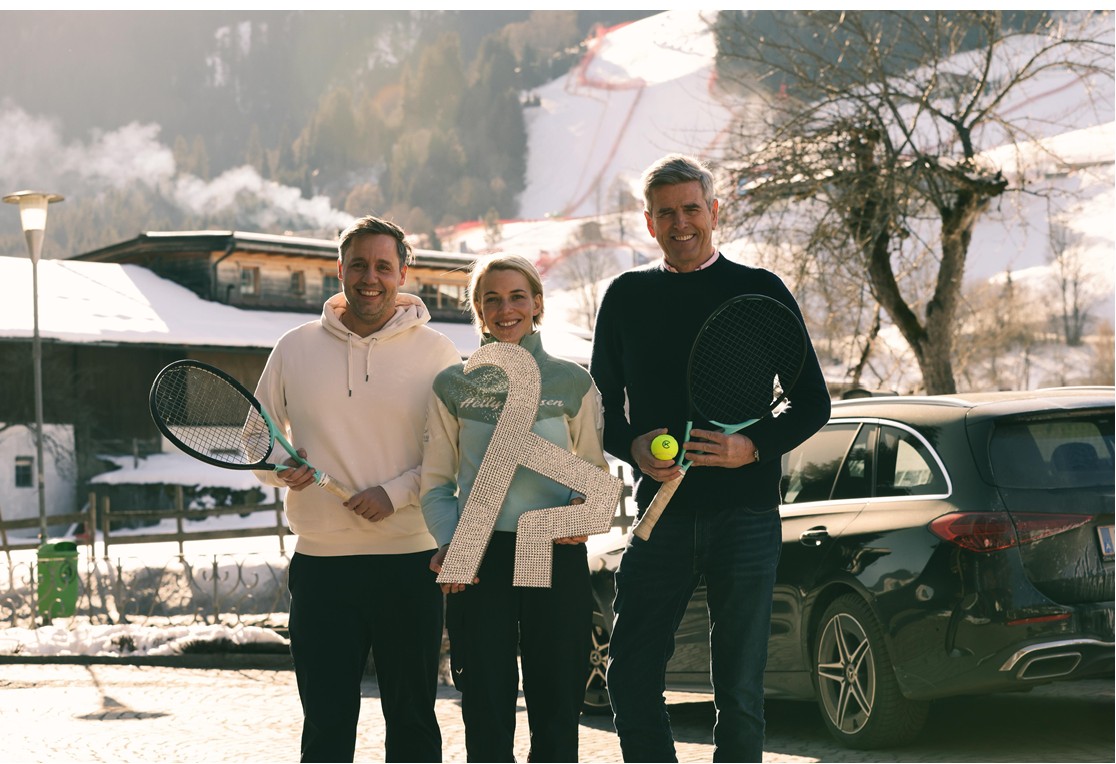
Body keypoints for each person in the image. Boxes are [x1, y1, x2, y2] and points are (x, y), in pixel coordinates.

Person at [590, 154, 831, 763]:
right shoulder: (625, 296)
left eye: (691, 209)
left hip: (747, 516)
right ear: (649, 223)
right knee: (630, 673)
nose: (681, 223)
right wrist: (632, 446)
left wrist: (752, 447)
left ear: (714, 211)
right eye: (666, 213)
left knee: (740, 690)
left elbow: (812, 403)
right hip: (661, 517)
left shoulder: (761, 290)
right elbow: (600, 408)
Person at [252, 215, 461, 763]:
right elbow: (257, 437)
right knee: (326, 726)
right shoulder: (293, 348)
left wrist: (395, 493)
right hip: (323, 567)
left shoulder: (438, 352)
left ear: (403, 273)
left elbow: (453, 454)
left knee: (413, 724)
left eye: (383, 267)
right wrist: (280, 467)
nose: (371, 278)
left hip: (410, 563)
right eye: (359, 265)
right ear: (340, 270)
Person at [420, 254, 607, 763]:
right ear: (478, 311)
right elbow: (435, 485)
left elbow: (594, 474)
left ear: (537, 304)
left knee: (557, 707)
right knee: (486, 709)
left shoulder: (573, 382)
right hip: (480, 558)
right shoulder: (451, 385)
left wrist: (582, 511)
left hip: (552, 551)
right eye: (492, 299)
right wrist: (452, 544)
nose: (506, 309)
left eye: (517, 296)